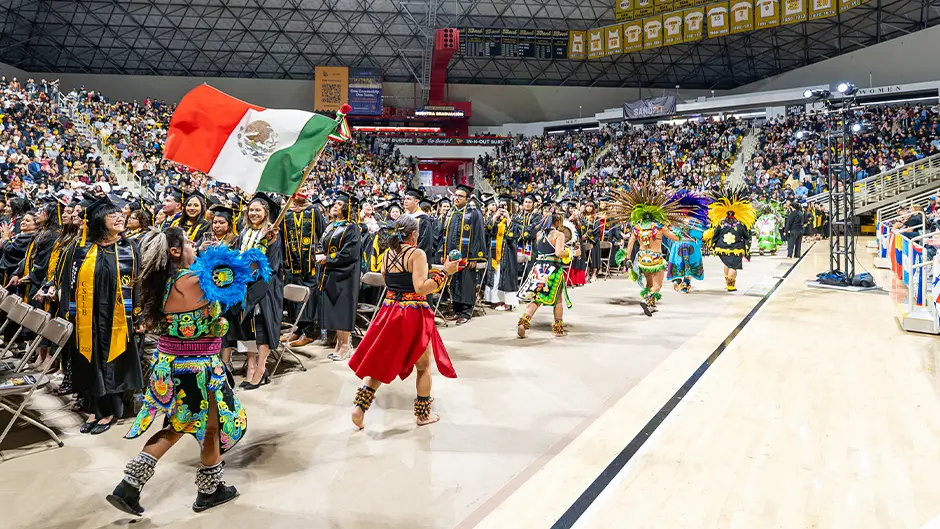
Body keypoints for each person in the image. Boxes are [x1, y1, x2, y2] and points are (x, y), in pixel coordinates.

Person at [106, 227, 267, 516]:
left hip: (169, 367)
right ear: (175, 252)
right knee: (210, 427)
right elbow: (245, 273)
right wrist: (262, 244)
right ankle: (208, 491)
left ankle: (130, 484)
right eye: (190, 243)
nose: (196, 246)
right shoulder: (195, 281)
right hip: (198, 370)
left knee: (180, 425)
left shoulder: (162, 283)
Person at [347, 215, 459, 429]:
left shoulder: (388, 254)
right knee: (423, 366)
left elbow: (388, 280)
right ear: (414, 234)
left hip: (389, 311)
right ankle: (423, 415)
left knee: (381, 362)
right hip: (412, 314)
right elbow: (421, 288)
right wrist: (445, 272)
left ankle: (359, 409)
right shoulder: (417, 254)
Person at [58, 194, 143, 435]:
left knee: (113, 361)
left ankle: (110, 411)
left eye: (119, 214)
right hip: (88, 317)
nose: (119, 217)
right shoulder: (80, 248)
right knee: (90, 360)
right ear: (98, 221)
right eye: (111, 215)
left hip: (117, 318)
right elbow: (68, 283)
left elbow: (137, 284)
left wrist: (138, 314)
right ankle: (93, 409)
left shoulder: (129, 247)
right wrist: (69, 313)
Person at [222, 193, 283, 389]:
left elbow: (271, 265)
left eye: (258, 210)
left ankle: (260, 370)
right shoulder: (244, 233)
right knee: (250, 328)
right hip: (245, 285)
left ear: (266, 212)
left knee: (262, 327)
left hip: (264, 286)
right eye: (251, 210)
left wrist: (268, 244)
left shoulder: (272, 233)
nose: (254, 213)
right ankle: (253, 367)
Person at [612, 187, 681, 315]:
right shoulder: (659, 227)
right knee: (657, 286)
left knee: (649, 284)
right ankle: (646, 300)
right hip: (656, 259)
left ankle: (651, 305)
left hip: (642, 259)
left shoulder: (637, 228)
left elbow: (630, 243)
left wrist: (628, 258)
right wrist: (675, 230)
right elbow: (675, 238)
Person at [516, 211, 575, 337]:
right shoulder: (558, 235)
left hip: (538, 268)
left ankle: (523, 322)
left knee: (537, 298)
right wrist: (571, 252)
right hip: (552, 269)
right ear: (558, 222)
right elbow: (559, 253)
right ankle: (558, 329)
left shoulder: (539, 234)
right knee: (558, 300)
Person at [319, 191, 362, 361]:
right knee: (335, 309)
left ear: (347, 208)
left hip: (346, 274)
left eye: (339, 204)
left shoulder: (352, 228)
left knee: (343, 309)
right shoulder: (331, 226)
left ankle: (345, 345)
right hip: (331, 272)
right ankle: (339, 342)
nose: (335, 206)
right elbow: (322, 244)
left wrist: (328, 259)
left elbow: (350, 253)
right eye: (335, 203)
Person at [281, 193, 326, 347]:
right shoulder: (286, 211)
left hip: (311, 264)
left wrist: (319, 255)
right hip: (292, 262)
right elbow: (281, 237)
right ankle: (298, 329)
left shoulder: (313, 210)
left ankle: (309, 332)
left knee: (310, 296)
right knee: (295, 296)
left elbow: (322, 234)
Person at [441, 184, 486, 325]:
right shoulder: (452, 212)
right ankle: (456, 310)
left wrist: (474, 257)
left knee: (466, 283)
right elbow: (445, 234)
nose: (456, 198)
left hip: (467, 256)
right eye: (455, 195)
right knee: (454, 282)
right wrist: (444, 253)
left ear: (467, 199)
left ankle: (466, 312)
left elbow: (478, 236)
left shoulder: (474, 213)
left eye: (460, 196)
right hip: (452, 256)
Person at [705, 186, 756, 292]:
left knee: (727, 264)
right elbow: (747, 236)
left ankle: (727, 282)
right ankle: (731, 286)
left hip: (722, 247)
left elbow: (715, 235)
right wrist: (747, 247)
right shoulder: (741, 224)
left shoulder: (721, 223)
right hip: (736, 249)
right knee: (733, 267)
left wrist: (713, 245)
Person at [483, 195, 520, 311]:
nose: (502, 207)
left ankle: (507, 302)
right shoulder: (495, 217)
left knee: (506, 276)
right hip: (494, 251)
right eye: (500, 205)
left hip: (508, 251)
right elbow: (487, 229)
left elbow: (515, 234)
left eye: (505, 205)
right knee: (495, 275)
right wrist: (495, 217)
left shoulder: (515, 218)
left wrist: (508, 218)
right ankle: (496, 300)